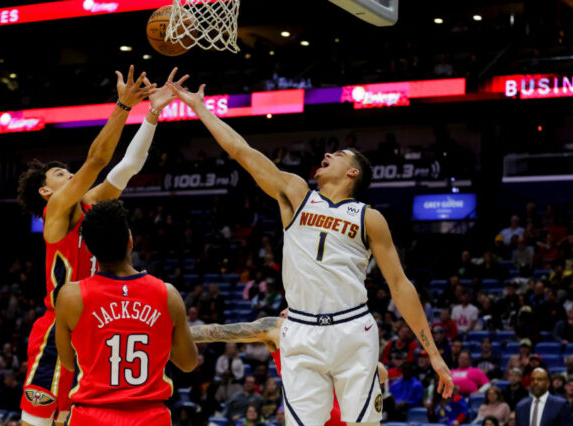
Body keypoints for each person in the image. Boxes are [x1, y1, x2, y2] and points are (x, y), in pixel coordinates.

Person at [169, 76, 453, 426]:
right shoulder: (296, 193)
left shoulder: (370, 217)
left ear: (352, 172)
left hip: (353, 328)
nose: (326, 155)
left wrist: (434, 355)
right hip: (300, 329)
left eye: (337, 155)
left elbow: (400, 286)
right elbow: (241, 151)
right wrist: (199, 108)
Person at [16, 67, 188, 426]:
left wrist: (153, 114)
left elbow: (127, 166)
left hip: (92, 324)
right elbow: (96, 161)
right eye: (61, 175)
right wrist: (123, 106)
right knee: (39, 423)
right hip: (57, 328)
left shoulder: (88, 205)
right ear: (46, 192)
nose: (72, 176)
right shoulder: (56, 211)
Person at [54, 200, 198, 425]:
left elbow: (69, 363)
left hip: (91, 416)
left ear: (91, 250)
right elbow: (188, 363)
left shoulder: (70, 297)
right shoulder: (167, 294)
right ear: (130, 241)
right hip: (150, 417)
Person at [189, 316, 389, 426]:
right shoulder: (280, 328)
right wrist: (179, 333)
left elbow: (381, 373)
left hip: (338, 416)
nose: (284, 314)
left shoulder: (326, 331)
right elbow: (218, 331)